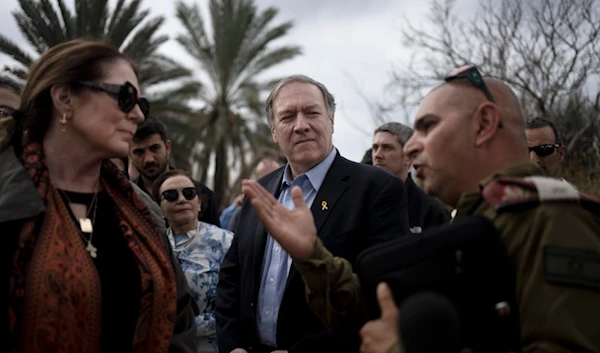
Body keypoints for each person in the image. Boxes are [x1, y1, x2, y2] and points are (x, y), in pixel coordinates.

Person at [241, 66, 600, 353]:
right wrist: (311, 257)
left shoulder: (555, 218)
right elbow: (379, 316)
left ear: (484, 124)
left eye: (428, 126)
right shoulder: (480, 218)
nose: (411, 148)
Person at [1, 39, 197, 353]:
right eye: (125, 97)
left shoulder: (142, 213)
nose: (136, 115)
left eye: (141, 105)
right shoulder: (8, 200)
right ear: (65, 98)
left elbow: (180, 321)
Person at [215, 74, 410, 353]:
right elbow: (231, 278)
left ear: (331, 121)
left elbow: (380, 292)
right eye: (287, 117)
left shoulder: (377, 189)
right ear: (273, 131)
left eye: (311, 112)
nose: (301, 126)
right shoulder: (259, 193)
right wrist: (233, 346)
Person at [153, 169, 233, 353]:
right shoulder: (154, 245)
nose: (182, 199)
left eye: (189, 193)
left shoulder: (226, 242)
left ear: (199, 202)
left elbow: (236, 304)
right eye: (171, 195)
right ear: (160, 208)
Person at [130, 116, 221, 227]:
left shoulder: (199, 194)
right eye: (139, 152)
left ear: (167, 148)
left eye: (154, 148)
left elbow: (216, 241)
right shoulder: (125, 198)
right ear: (129, 154)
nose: (149, 159)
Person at [372, 122, 450, 232]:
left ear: (408, 157)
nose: (377, 155)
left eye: (387, 148)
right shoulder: (358, 200)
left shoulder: (430, 210)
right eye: (375, 148)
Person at [220, 156, 283, 230]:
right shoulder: (243, 209)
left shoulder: (287, 202)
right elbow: (224, 232)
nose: (270, 182)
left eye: (274, 177)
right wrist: (235, 207)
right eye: (265, 178)